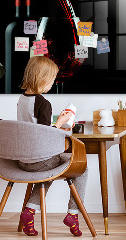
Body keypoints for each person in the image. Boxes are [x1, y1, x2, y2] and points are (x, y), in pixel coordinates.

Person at [17, 56, 87, 237]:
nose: (53, 83)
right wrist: (62, 122)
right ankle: (73, 214)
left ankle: (29, 212)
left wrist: (56, 124)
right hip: (40, 160)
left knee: (47, 171)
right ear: (43, 79)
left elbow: (34, 128)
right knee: (82, 168)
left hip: (23, 160)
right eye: (52, 80)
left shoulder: (22, 99)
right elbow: (45, 135)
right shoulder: (43, 103)